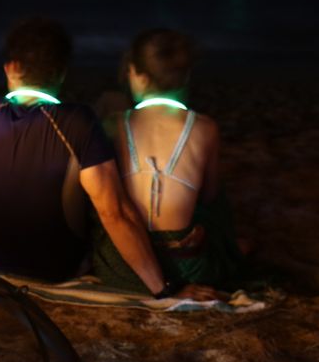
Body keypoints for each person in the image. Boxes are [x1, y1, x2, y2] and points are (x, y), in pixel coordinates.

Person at [0, 17, 212, 299]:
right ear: (62, 72)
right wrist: (165, 289)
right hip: (61, 269)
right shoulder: (78, 124)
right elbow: (114, 212)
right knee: (102, 203)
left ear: (11, 67)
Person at [92, 29, 247, 291]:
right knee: (217, 209)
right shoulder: (205, 128)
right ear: (186, 75)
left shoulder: (112, 124)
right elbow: (209, 197)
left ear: (136, 74)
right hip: (188, 263)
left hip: (125, 266)